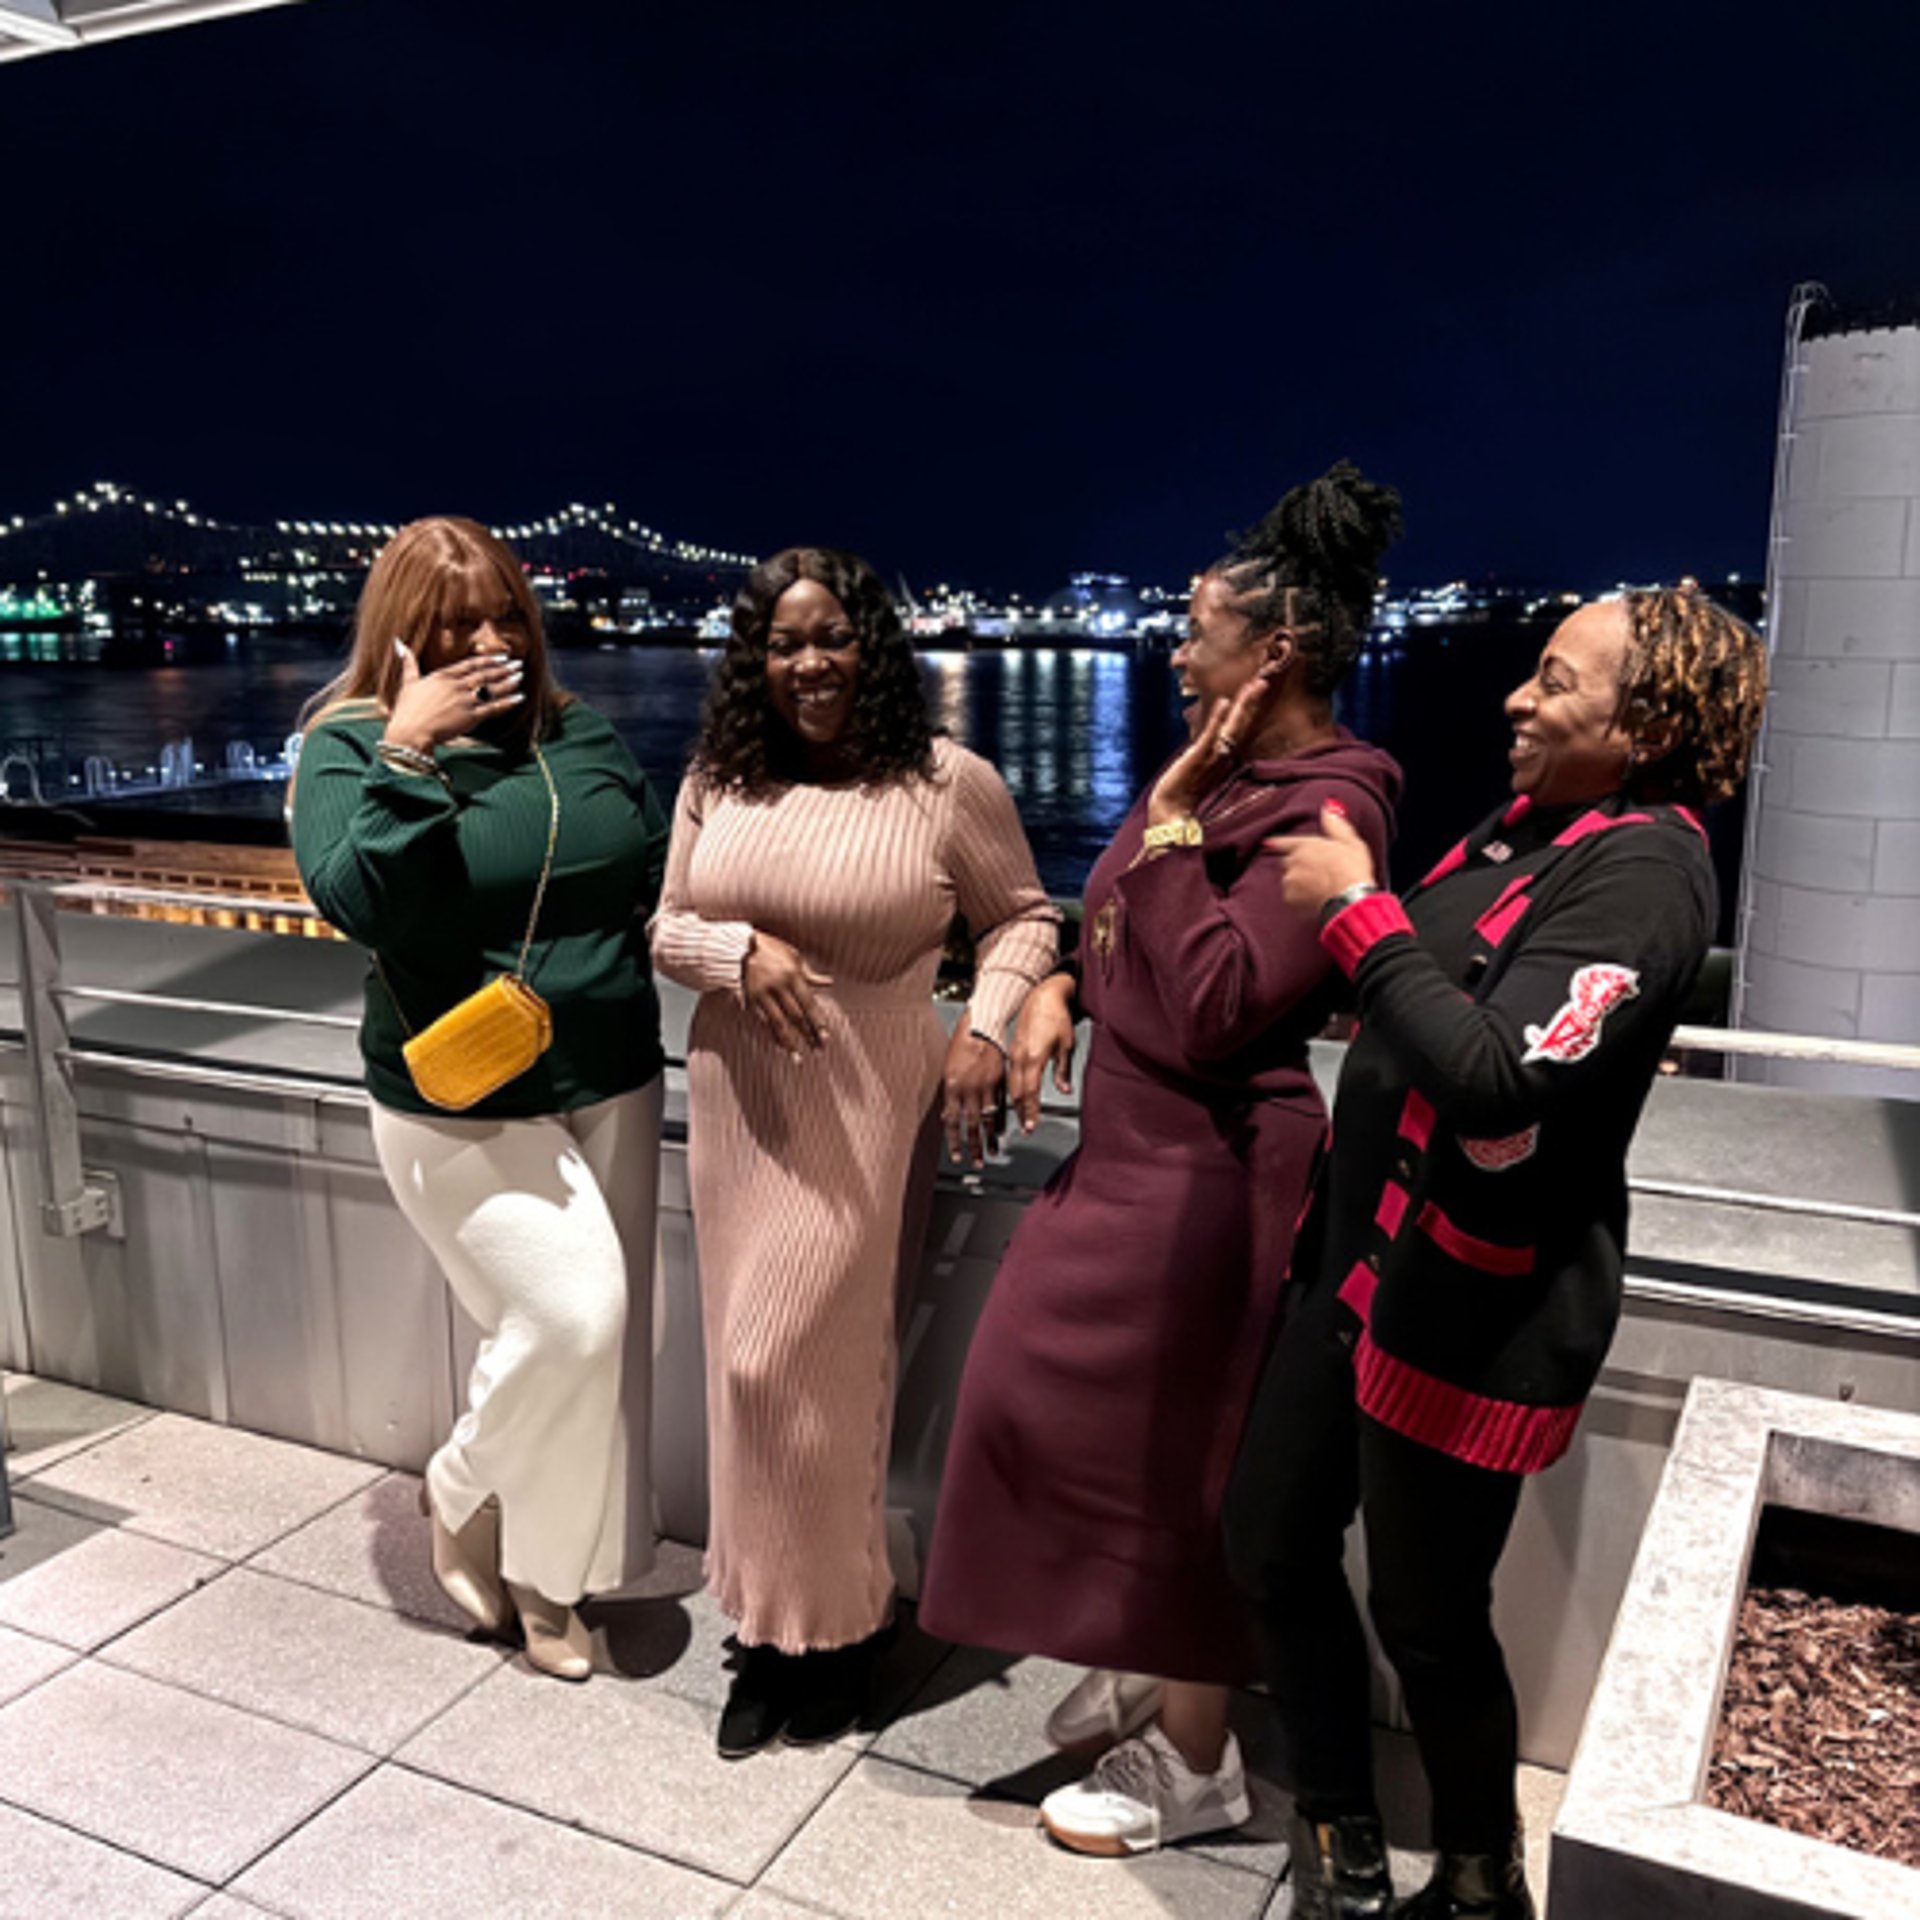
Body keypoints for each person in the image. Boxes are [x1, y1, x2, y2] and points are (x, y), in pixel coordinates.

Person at [1228, 585, 1769, 1918]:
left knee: (1428, 1622)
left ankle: (1481, 1887)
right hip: (1359, 1279)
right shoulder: (1533, 827)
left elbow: (1494, 1078)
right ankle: (1340, 1824)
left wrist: (1358, 909)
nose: (1515, 700)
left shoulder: (1648, 869)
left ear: (1646, 723)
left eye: (1554, 681)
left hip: (1471, 1317)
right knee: (1269, 1540)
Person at [918, 463, 1406, 1857]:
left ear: (1280, 653)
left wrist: (1182, 808)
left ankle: (1196, 1765)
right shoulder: (1228, 774)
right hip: (1127, 1158)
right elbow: (1124, 910)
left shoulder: (1337, 801)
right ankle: (1138, 1658)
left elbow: (1216, 1001)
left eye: (1200, 629)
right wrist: (1066, 981)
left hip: (1215, 1181)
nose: (1179, 648)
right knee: (1038, 1413)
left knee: (1182, 1466)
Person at [649, 545, 1058, 1757]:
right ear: (754, 661)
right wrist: (739, 955)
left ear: (870, 646)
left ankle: (838, 1627)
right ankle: (774, 1634)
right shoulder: (719, 775)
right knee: (746, 1368)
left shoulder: (947, 783)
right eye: (783, 644)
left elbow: (1026, 917)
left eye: (830, 637)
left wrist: (986, 1025)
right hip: (739, 1092)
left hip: (871, 1091)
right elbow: (666, 924)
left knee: (809, 1367)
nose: (809, 663)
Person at [290, 515, 669, 1681]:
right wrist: (408, 756)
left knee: (602, 1358)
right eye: (456, 629)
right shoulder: (348, 745)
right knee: (570, 1319)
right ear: (401, 639)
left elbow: (651, 867)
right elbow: (360, 902)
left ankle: (554, 1581)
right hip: (457, 1091)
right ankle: (461, 1490)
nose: (491, 644)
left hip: (609, 1067)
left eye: (507, 616)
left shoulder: (580, 732)